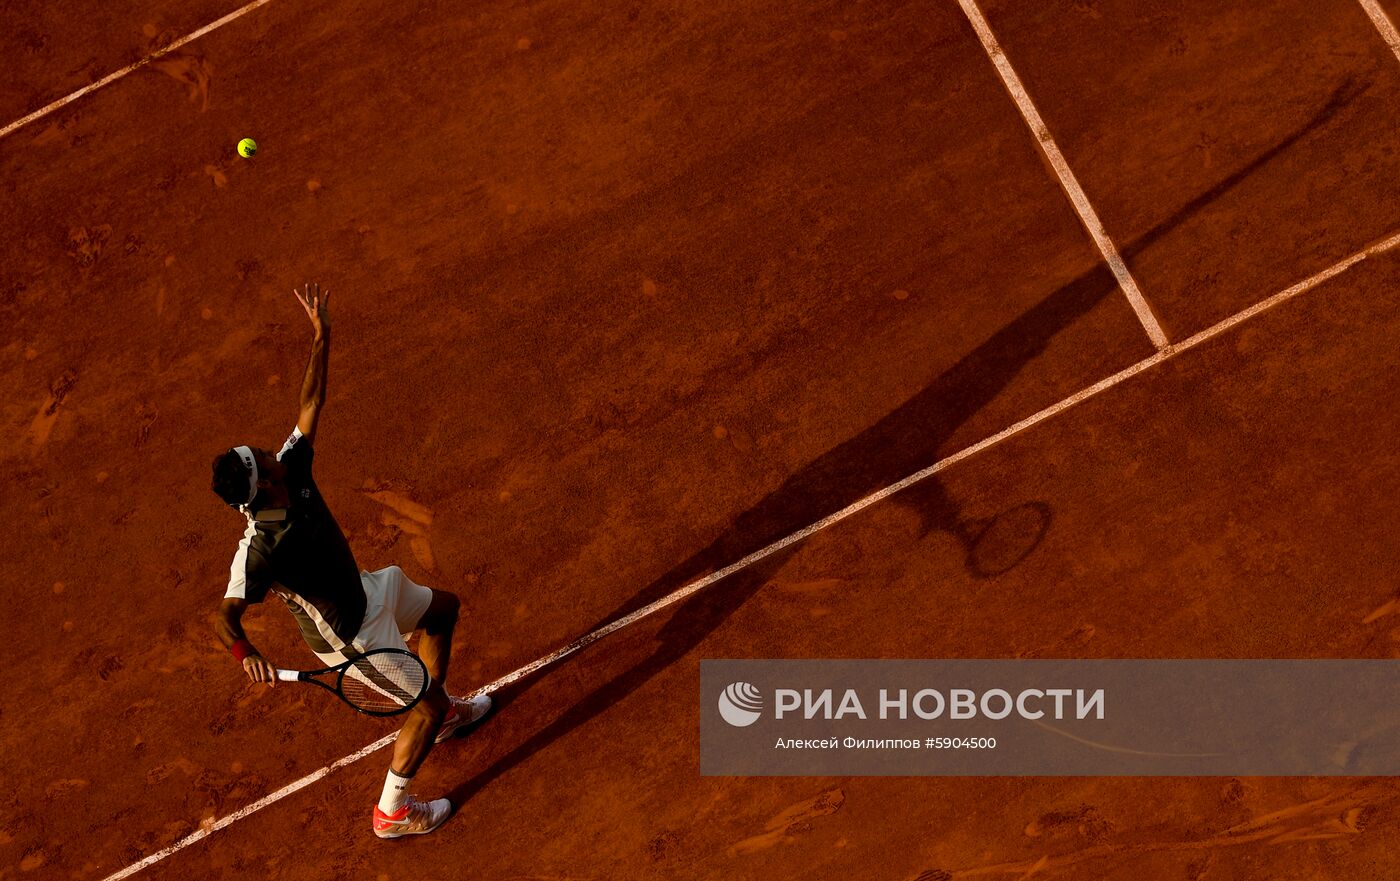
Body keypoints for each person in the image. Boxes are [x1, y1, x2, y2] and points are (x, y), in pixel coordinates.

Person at [209, 283, 489, 838]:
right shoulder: (259, 549)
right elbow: (224, 616)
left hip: (367, 589)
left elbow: (311, 403)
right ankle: (392, 812)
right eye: (263, 456)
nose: (273, 448)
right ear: (262, 482)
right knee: (424, 710)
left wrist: (322, 335)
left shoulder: (294, 468)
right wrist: (246, 654)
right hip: (353, 636)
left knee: (443, 612)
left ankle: (442, 710)